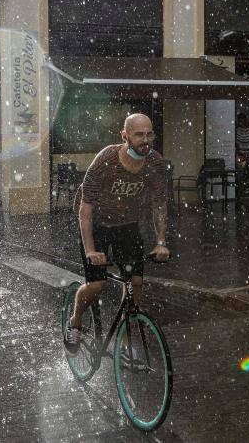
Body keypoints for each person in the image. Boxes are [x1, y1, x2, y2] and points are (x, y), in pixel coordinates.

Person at [65, 113, 170, 355]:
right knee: (97, 284)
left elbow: (159, 204)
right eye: (138, 134)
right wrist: (91, 250)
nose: (145, 140)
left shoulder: (155, 163)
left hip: (127, 224)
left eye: (149, 134)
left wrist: (161, 241)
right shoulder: (106, 160)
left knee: (135, 283)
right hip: (97, 224)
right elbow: (85, 208)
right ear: (124, 135)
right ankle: (76, 320)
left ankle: (124, 340)